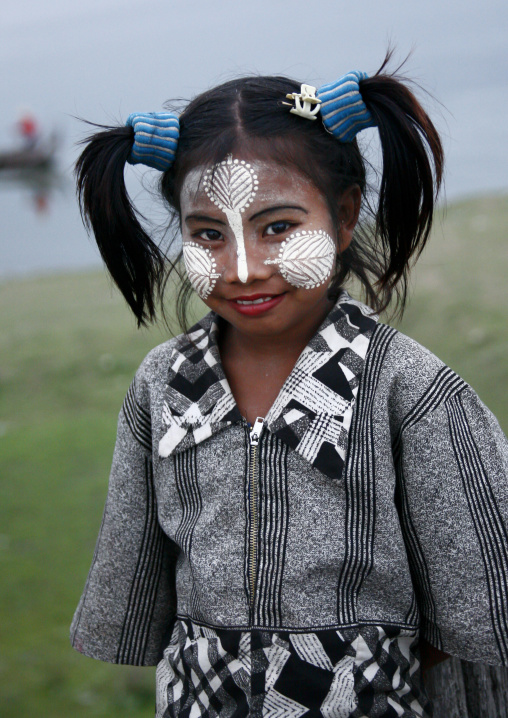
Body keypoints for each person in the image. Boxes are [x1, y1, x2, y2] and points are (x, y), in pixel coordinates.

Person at [70, 57, 508, 718]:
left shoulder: (407, 388)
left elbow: (474, 596)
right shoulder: (161, 386)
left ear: (345, 215)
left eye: (277, 227)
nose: (243, 270)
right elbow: (138, 582)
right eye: (208, 235)